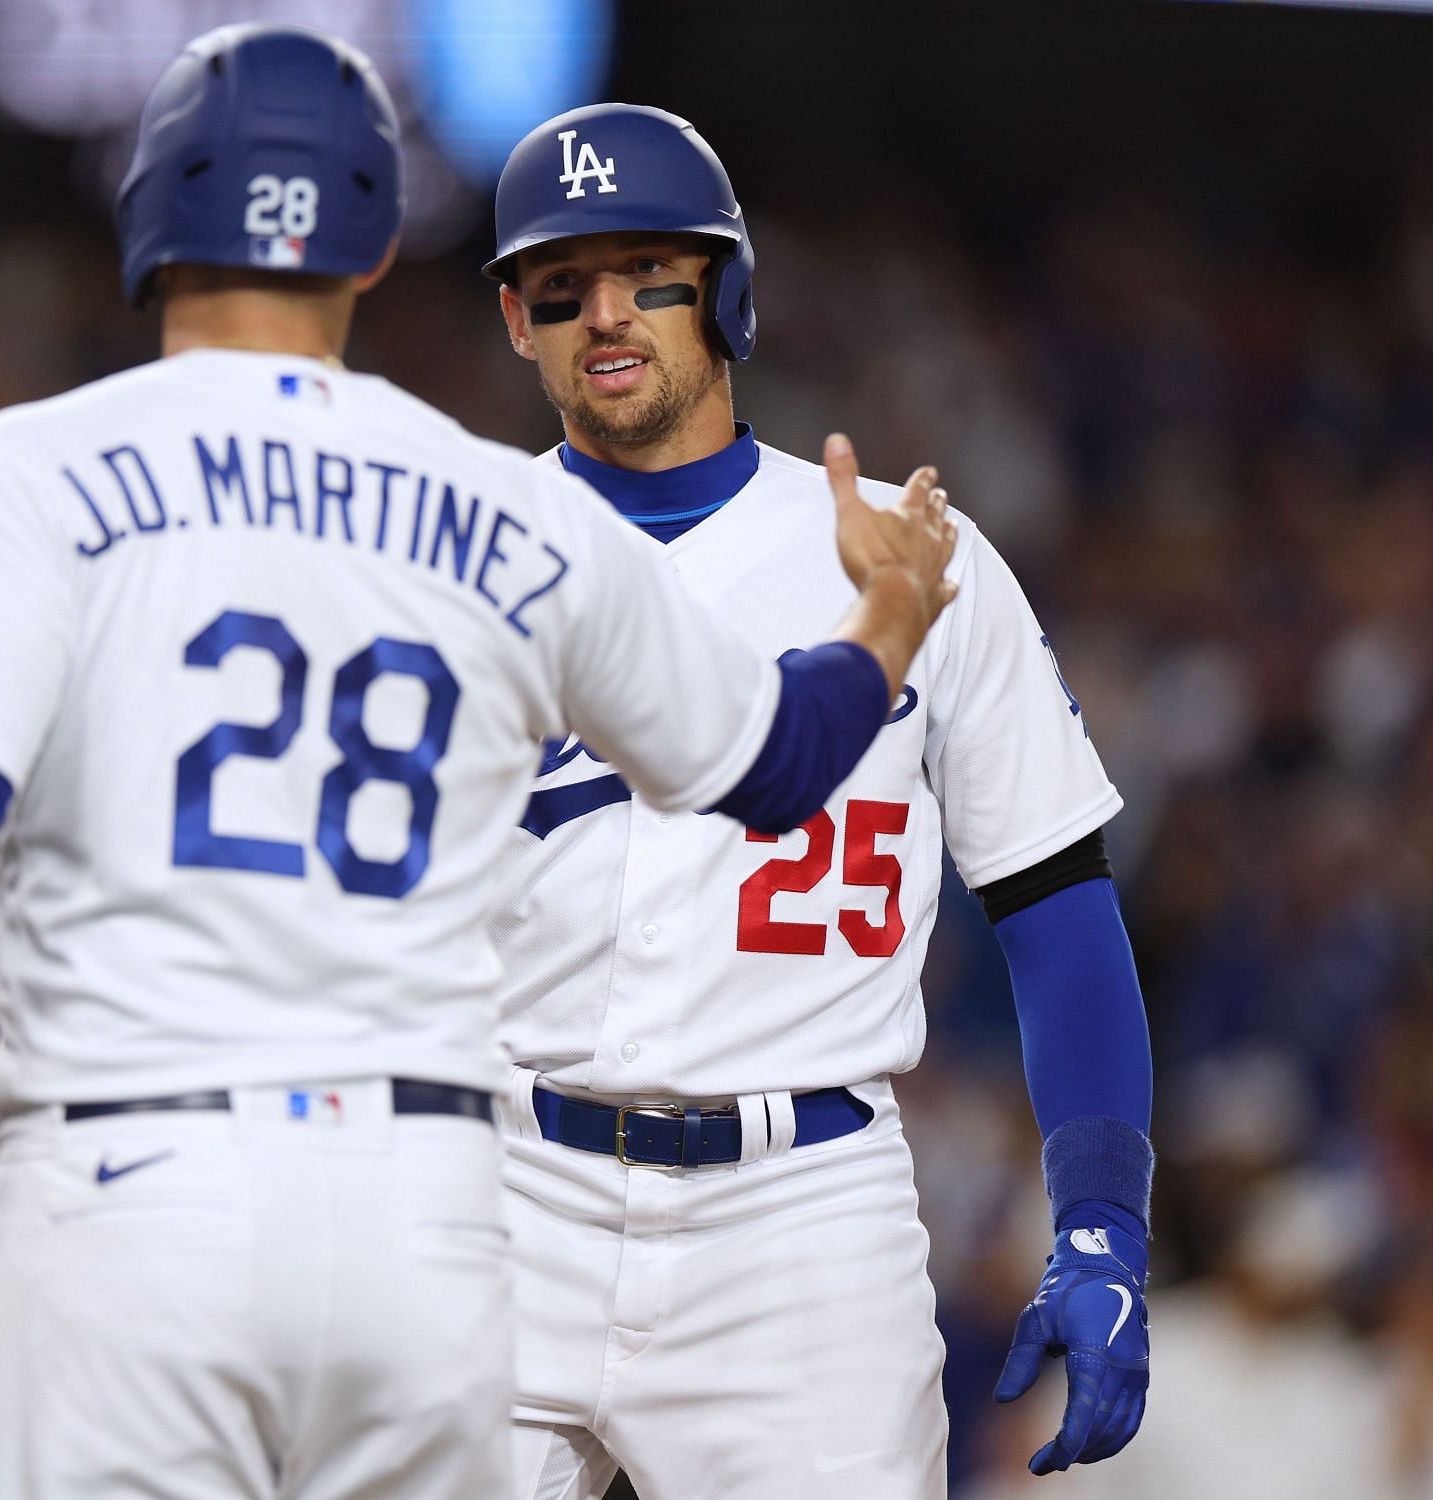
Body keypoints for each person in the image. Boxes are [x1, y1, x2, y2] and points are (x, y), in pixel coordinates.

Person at [0, 33, 960, 1500]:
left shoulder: (36, 471)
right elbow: (780, 763)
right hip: (423, 1227)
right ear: (370, 251)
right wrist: (889, 617)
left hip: (135, 1193)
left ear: (145, 223)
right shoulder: (513, 513)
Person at [481, 104, 1154, 1499]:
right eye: (562, 285)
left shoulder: (914, 552)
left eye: (646, 273)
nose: (605, 315)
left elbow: (1055, 904)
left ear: (723, 289)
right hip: (498, 1184)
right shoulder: (455, 551)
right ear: (515, 319)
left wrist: (1101, 1222)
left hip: (799, 1218)